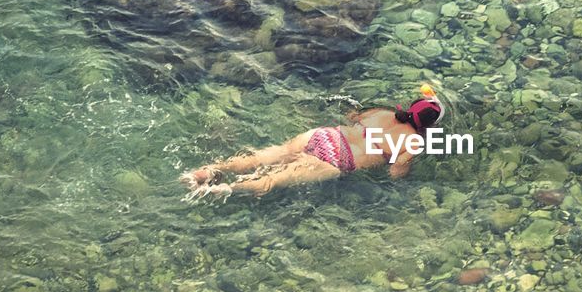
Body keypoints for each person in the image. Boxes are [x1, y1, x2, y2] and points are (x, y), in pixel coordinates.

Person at [182, 84, 443, 199]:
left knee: (263, 157)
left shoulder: (382, 113)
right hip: (337, 160)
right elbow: (396, 173)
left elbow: (351, 116)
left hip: (327, 135)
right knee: (272, 181)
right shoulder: (412, 142)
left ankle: (210, 170)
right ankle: (225, 190)